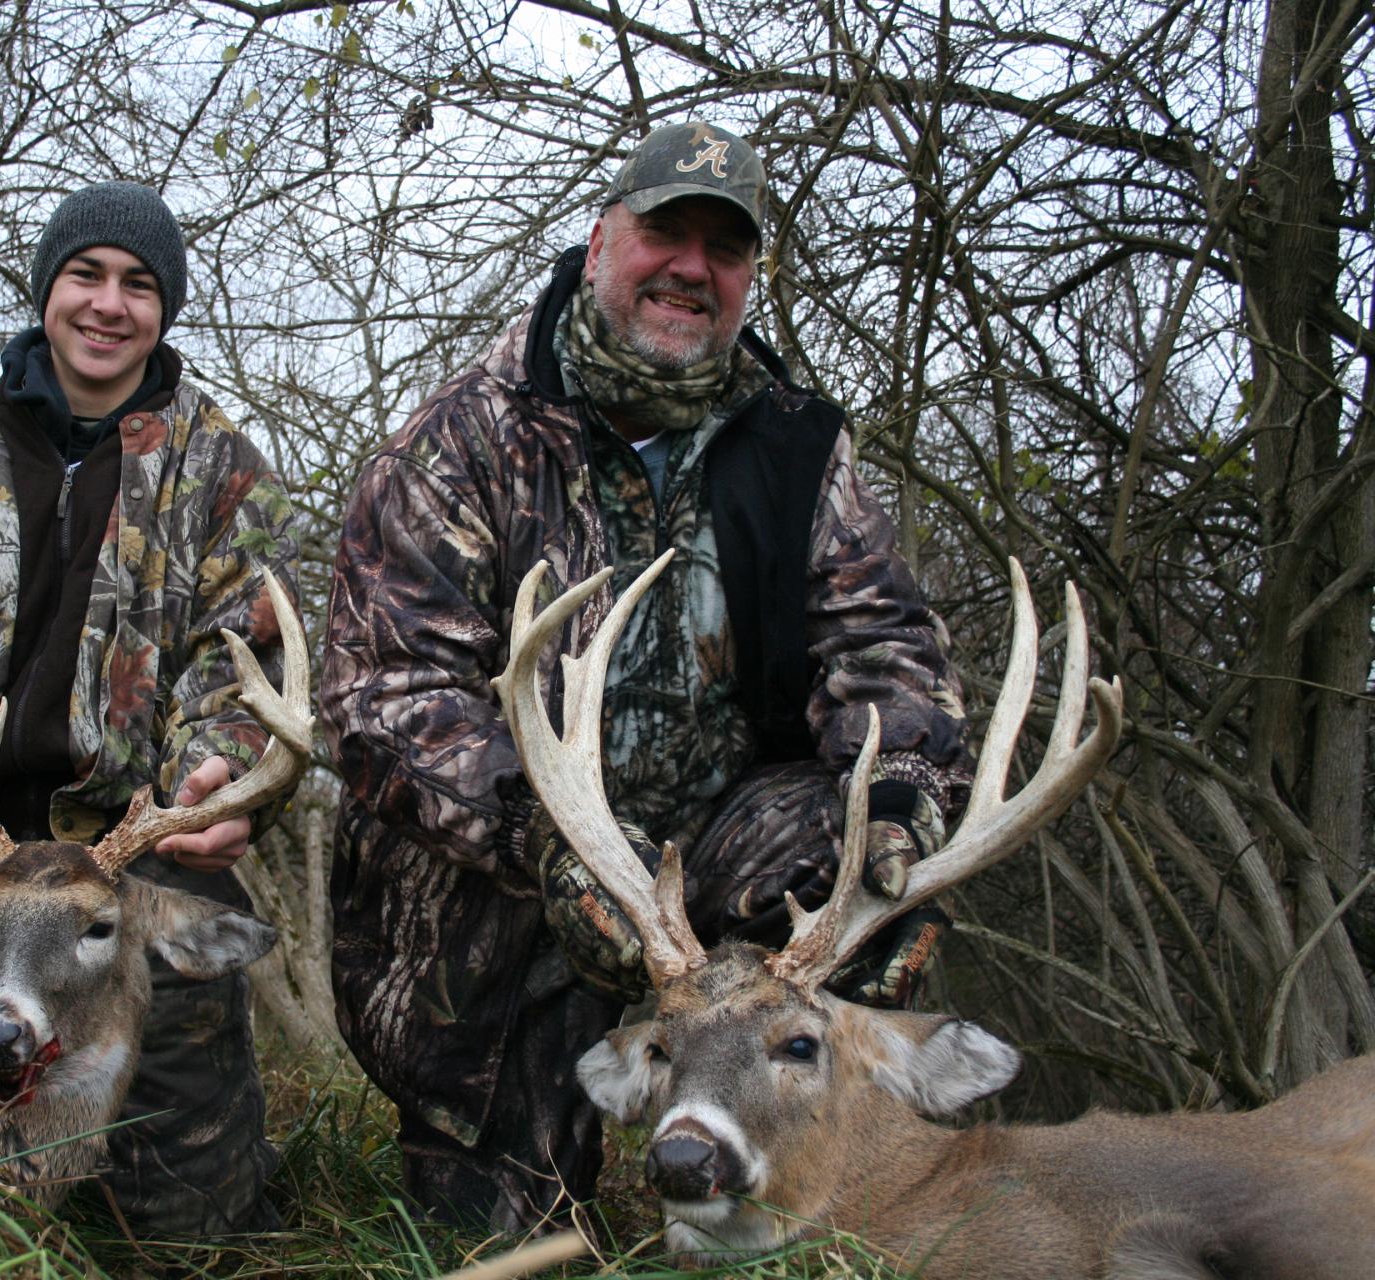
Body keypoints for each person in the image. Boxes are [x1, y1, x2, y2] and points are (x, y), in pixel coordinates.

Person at [320, 122, 975, 1232]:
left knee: (858, 840)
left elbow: (886, 648)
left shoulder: (797, 450)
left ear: (751, 278)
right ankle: (516, 1141)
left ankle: (800, 1180)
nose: (691, 268)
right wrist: (538, 832)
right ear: (599, 245)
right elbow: (385, 693)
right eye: (666, 234)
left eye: (725, 249)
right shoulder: (463, 440)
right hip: (518, 877)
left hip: (726, 854)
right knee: (508, 1238)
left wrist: (903, 812)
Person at [0, 181, 299, 1235]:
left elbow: (244, 659)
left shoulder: (225, 474)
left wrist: (219, 773)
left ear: (164, 310)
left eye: (139, 284)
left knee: (185, 1227)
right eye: (86, 274)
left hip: (139, 855)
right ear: (47, 289)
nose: (109, 304)